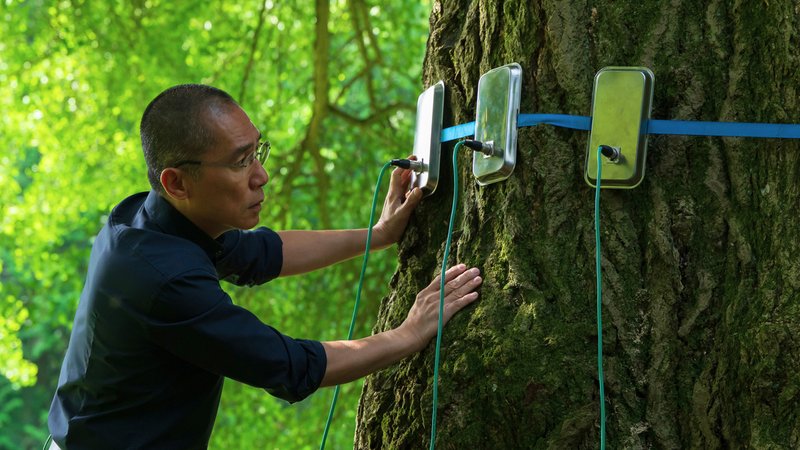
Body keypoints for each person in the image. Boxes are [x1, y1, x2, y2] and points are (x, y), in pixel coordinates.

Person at [46, 84, 482, 449]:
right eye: (240, 162)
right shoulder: (162, 279)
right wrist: (408, 334)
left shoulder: (154, 219)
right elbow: (290, 365)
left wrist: (379, 235)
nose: (261, 176)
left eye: (258, 152)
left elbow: (262, 254)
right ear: (176, 182)